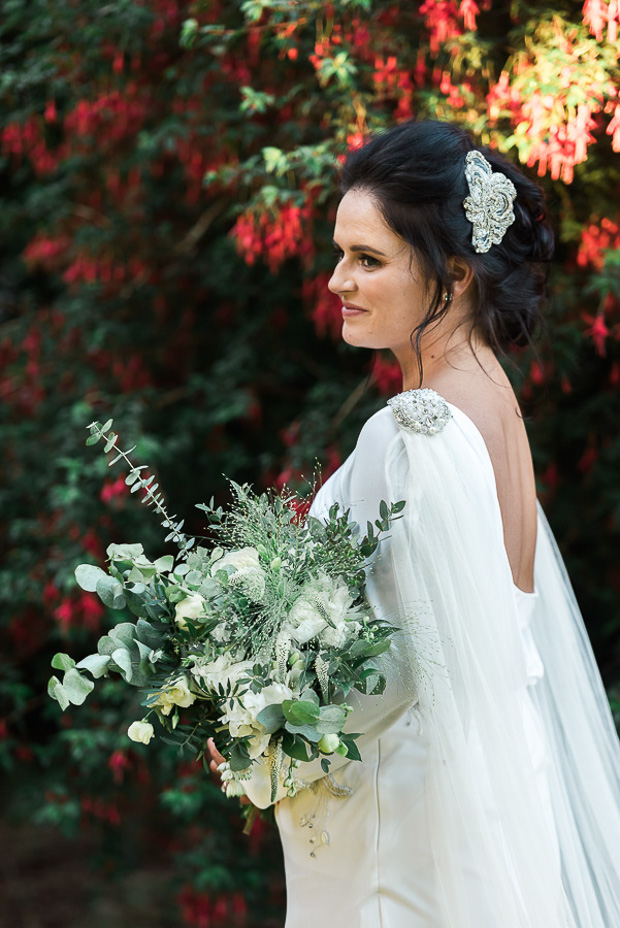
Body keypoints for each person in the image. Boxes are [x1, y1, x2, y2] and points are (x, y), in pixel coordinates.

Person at [207, 120, 620, 927]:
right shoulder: (494, 402)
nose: (337, 281)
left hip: (412, 821)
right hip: (492, 789)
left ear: (453, 276)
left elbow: (400, 666)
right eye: (339, 254)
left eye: (368, 260)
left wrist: (260, 728)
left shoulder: (414, 430)